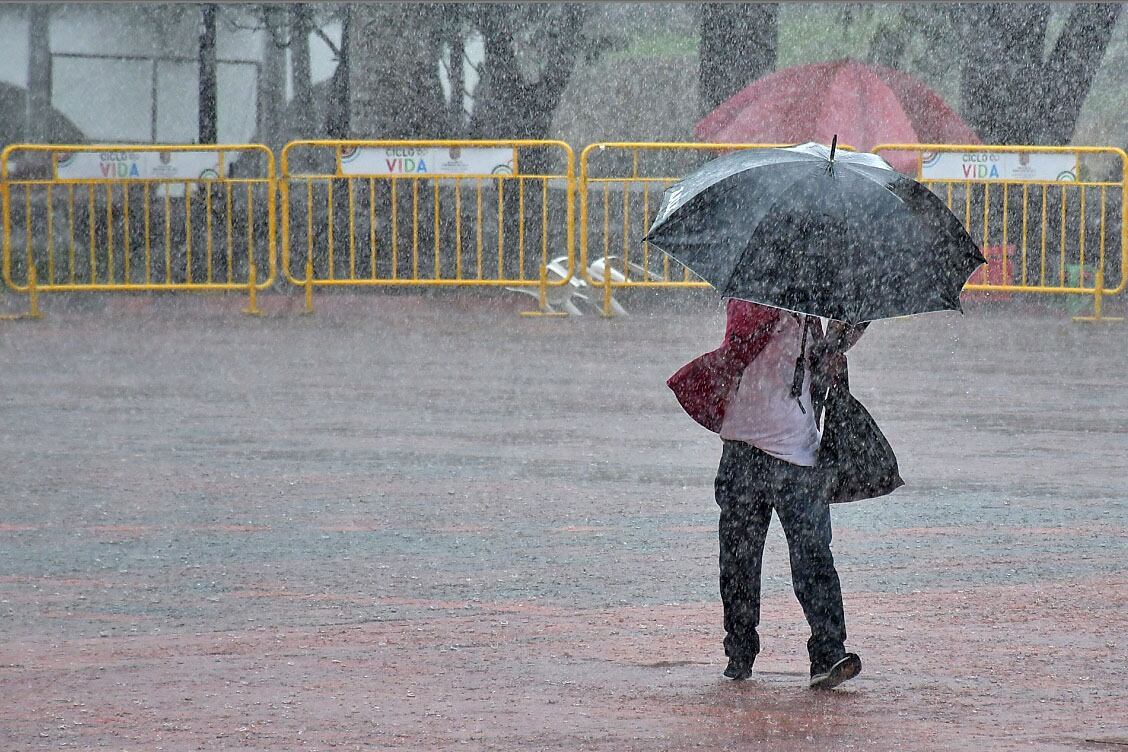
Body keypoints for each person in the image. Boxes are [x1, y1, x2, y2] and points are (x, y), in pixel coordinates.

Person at [667, 297, 867, 690]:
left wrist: (840, 340)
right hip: (744, 448)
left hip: (799, 454)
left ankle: (828, 651)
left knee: (813, 557)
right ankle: (740, 650)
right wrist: (788, 314)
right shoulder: (752, 295)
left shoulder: (810, 309)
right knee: (740, 559)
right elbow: (740, 341)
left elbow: (817, 373)